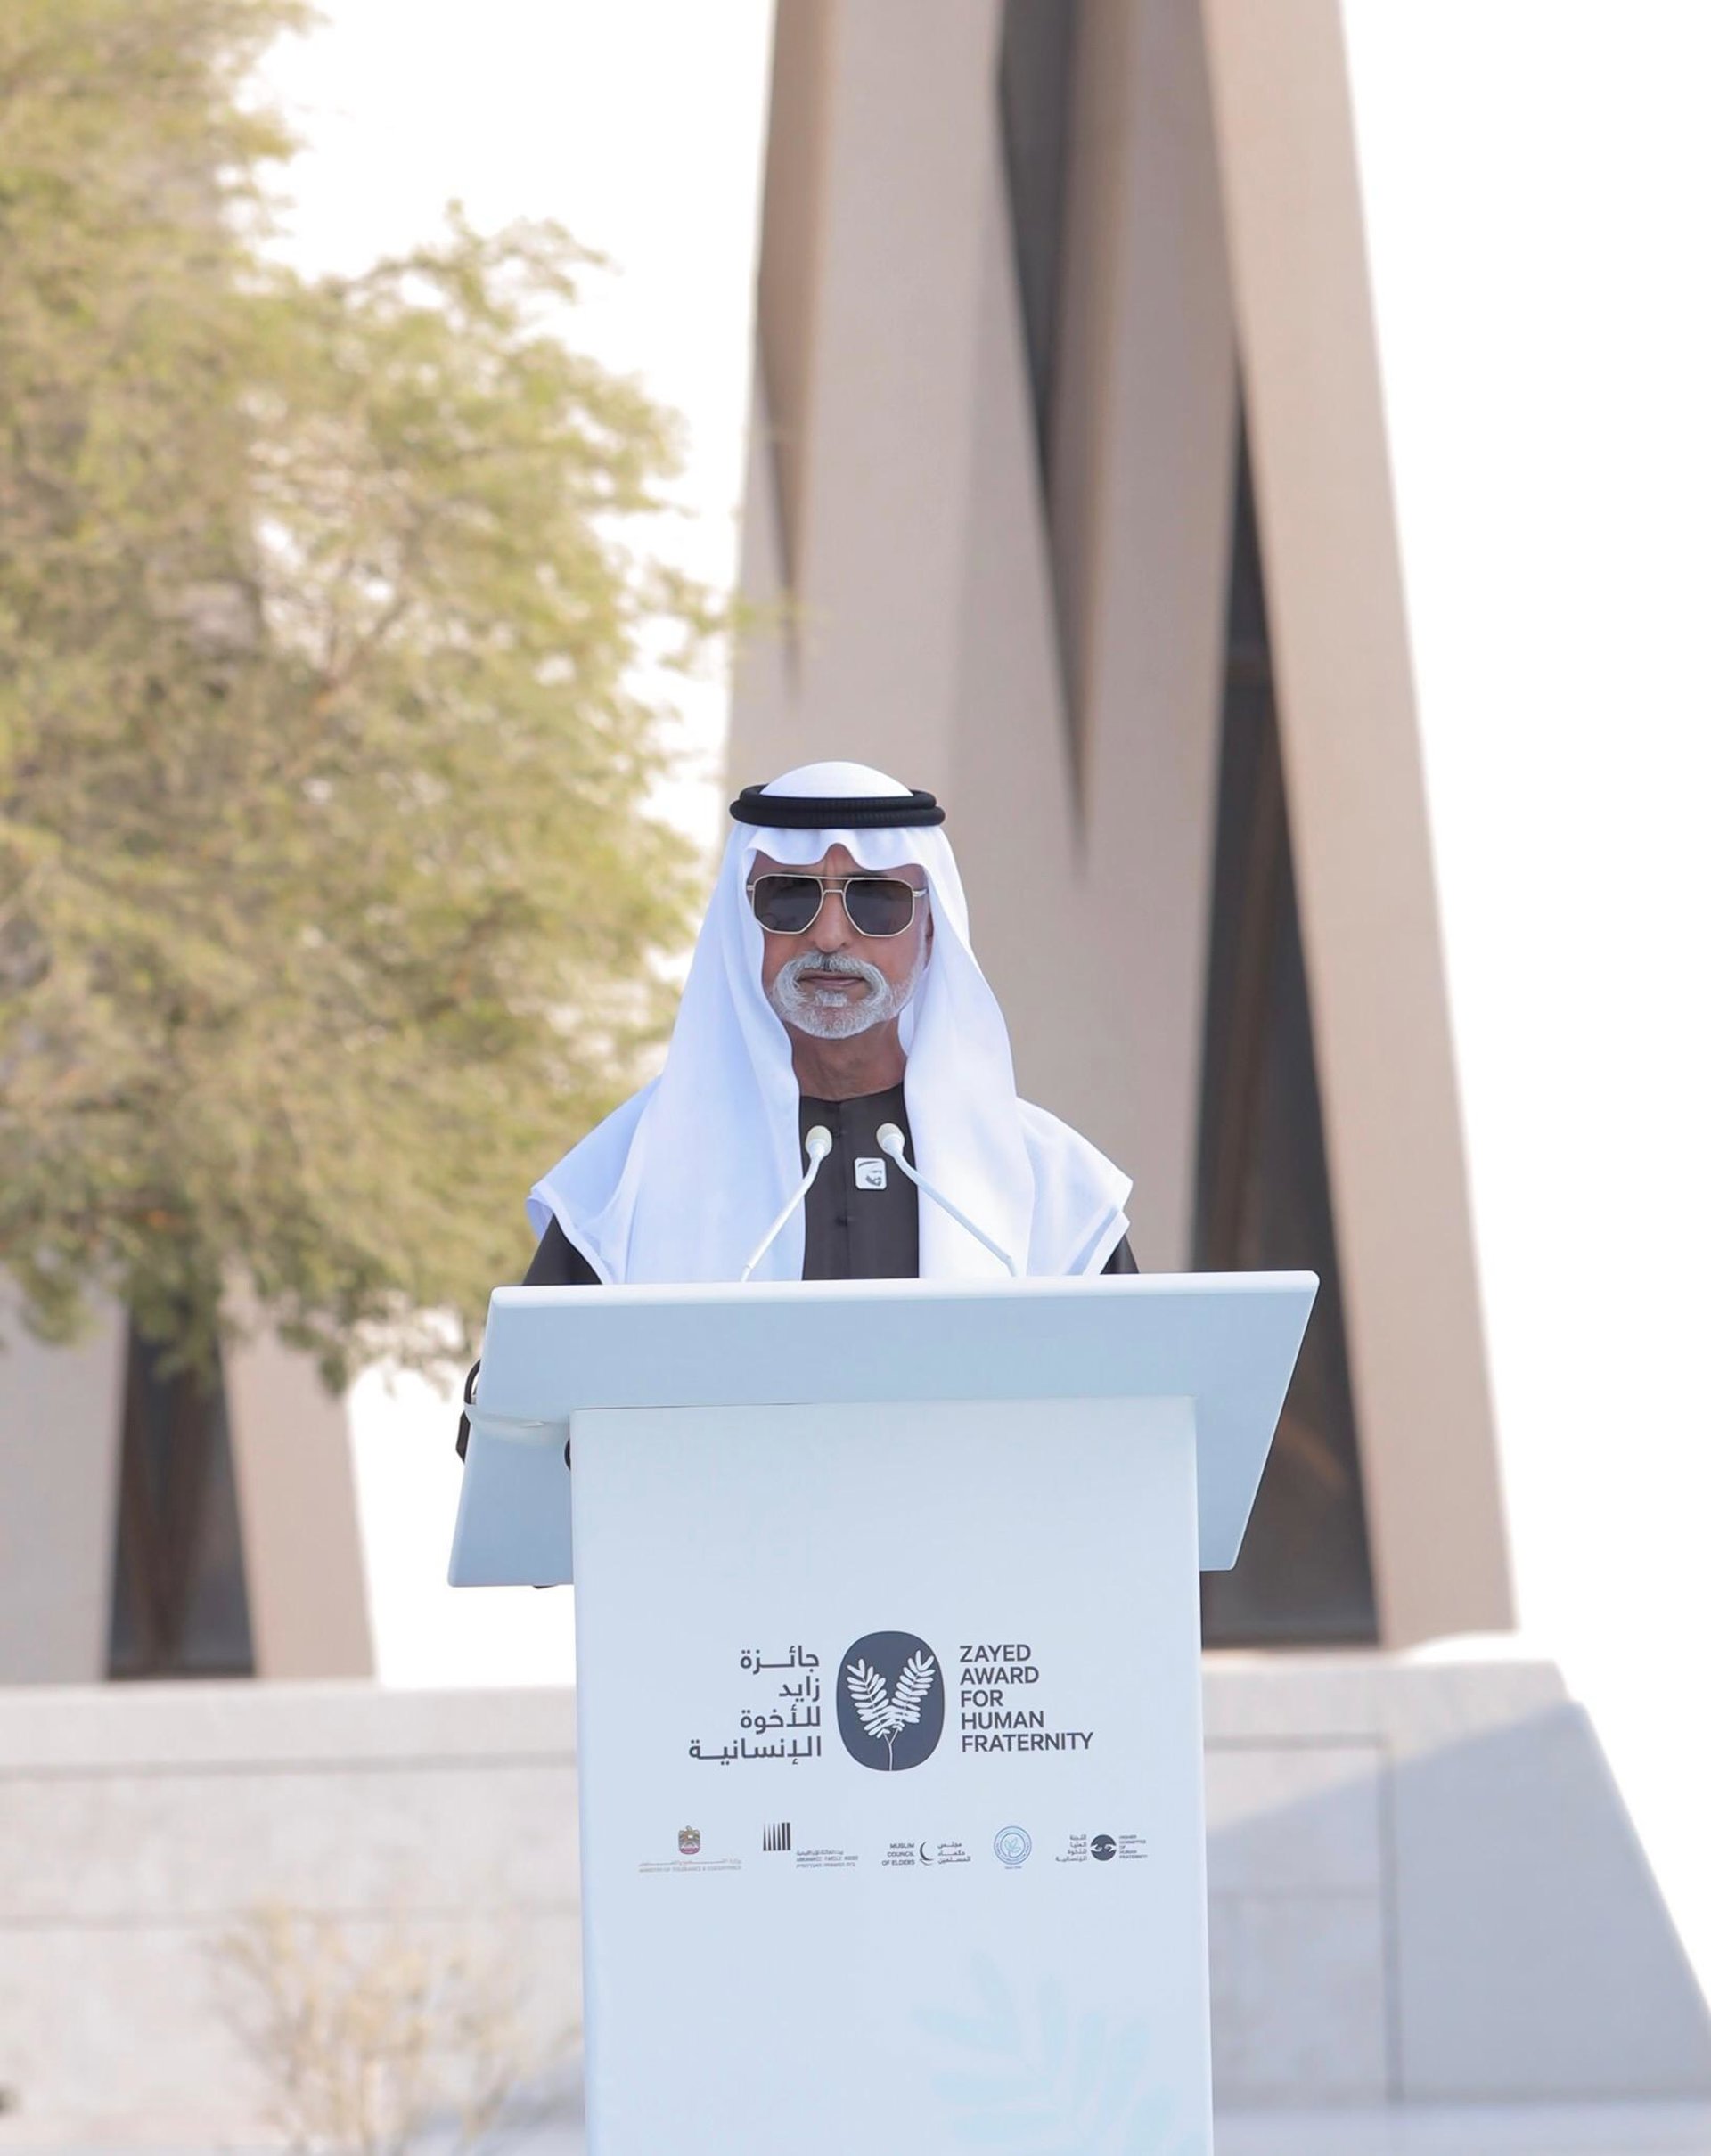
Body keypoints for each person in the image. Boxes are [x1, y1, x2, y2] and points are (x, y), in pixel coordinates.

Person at [457, 761, 1134, 1453]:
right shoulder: (632, 1166)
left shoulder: (1049, 1183)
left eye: (876, 901)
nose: (830, 936)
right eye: (788, 898)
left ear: (931, 930)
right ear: (742, 924)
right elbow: (515, 1436)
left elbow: (1137, 1432)